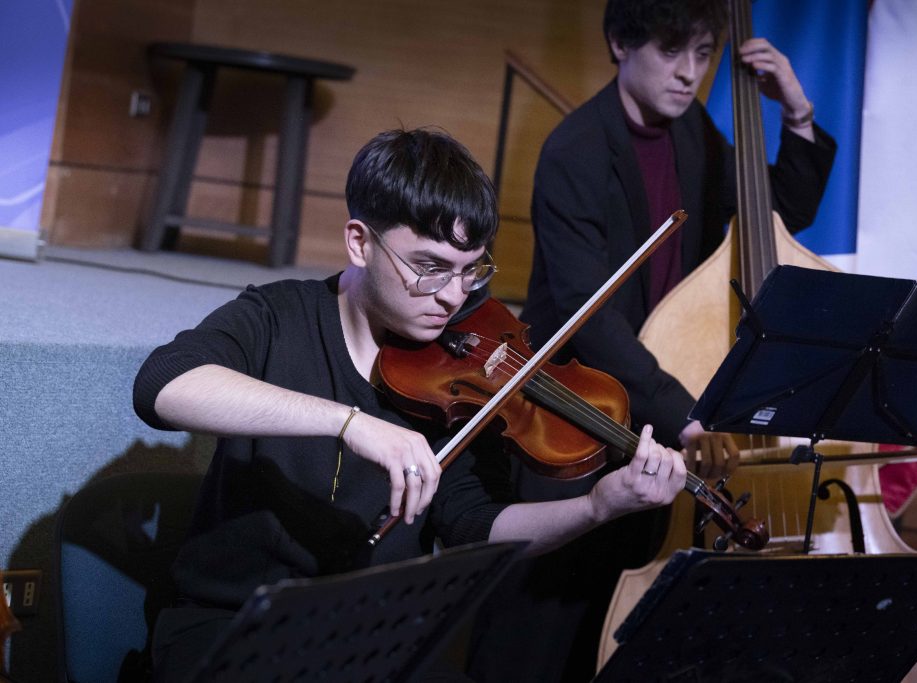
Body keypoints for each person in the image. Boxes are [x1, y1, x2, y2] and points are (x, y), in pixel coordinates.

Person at [132, 128, 691, 682]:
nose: (453, 296)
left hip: (370, 642)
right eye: (430, 267)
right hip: (232, 631)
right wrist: (349, 423)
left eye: (471, 270)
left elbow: (476, 524)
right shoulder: (279, 318)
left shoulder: (461, 378)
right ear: (360, 242)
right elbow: (164, 384)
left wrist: (596, 506)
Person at [468, 1, 837, 680]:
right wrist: (686, 413)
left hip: (655, 411)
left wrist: (797, 113)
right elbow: (588, 315)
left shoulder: (692, 130)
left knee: (630, 634)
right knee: (544, 634)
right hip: (574, 410)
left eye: (703, 54)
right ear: (619, 43)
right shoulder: (575, 150)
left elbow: (778, 213)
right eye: (671, 51)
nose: (689, 73)